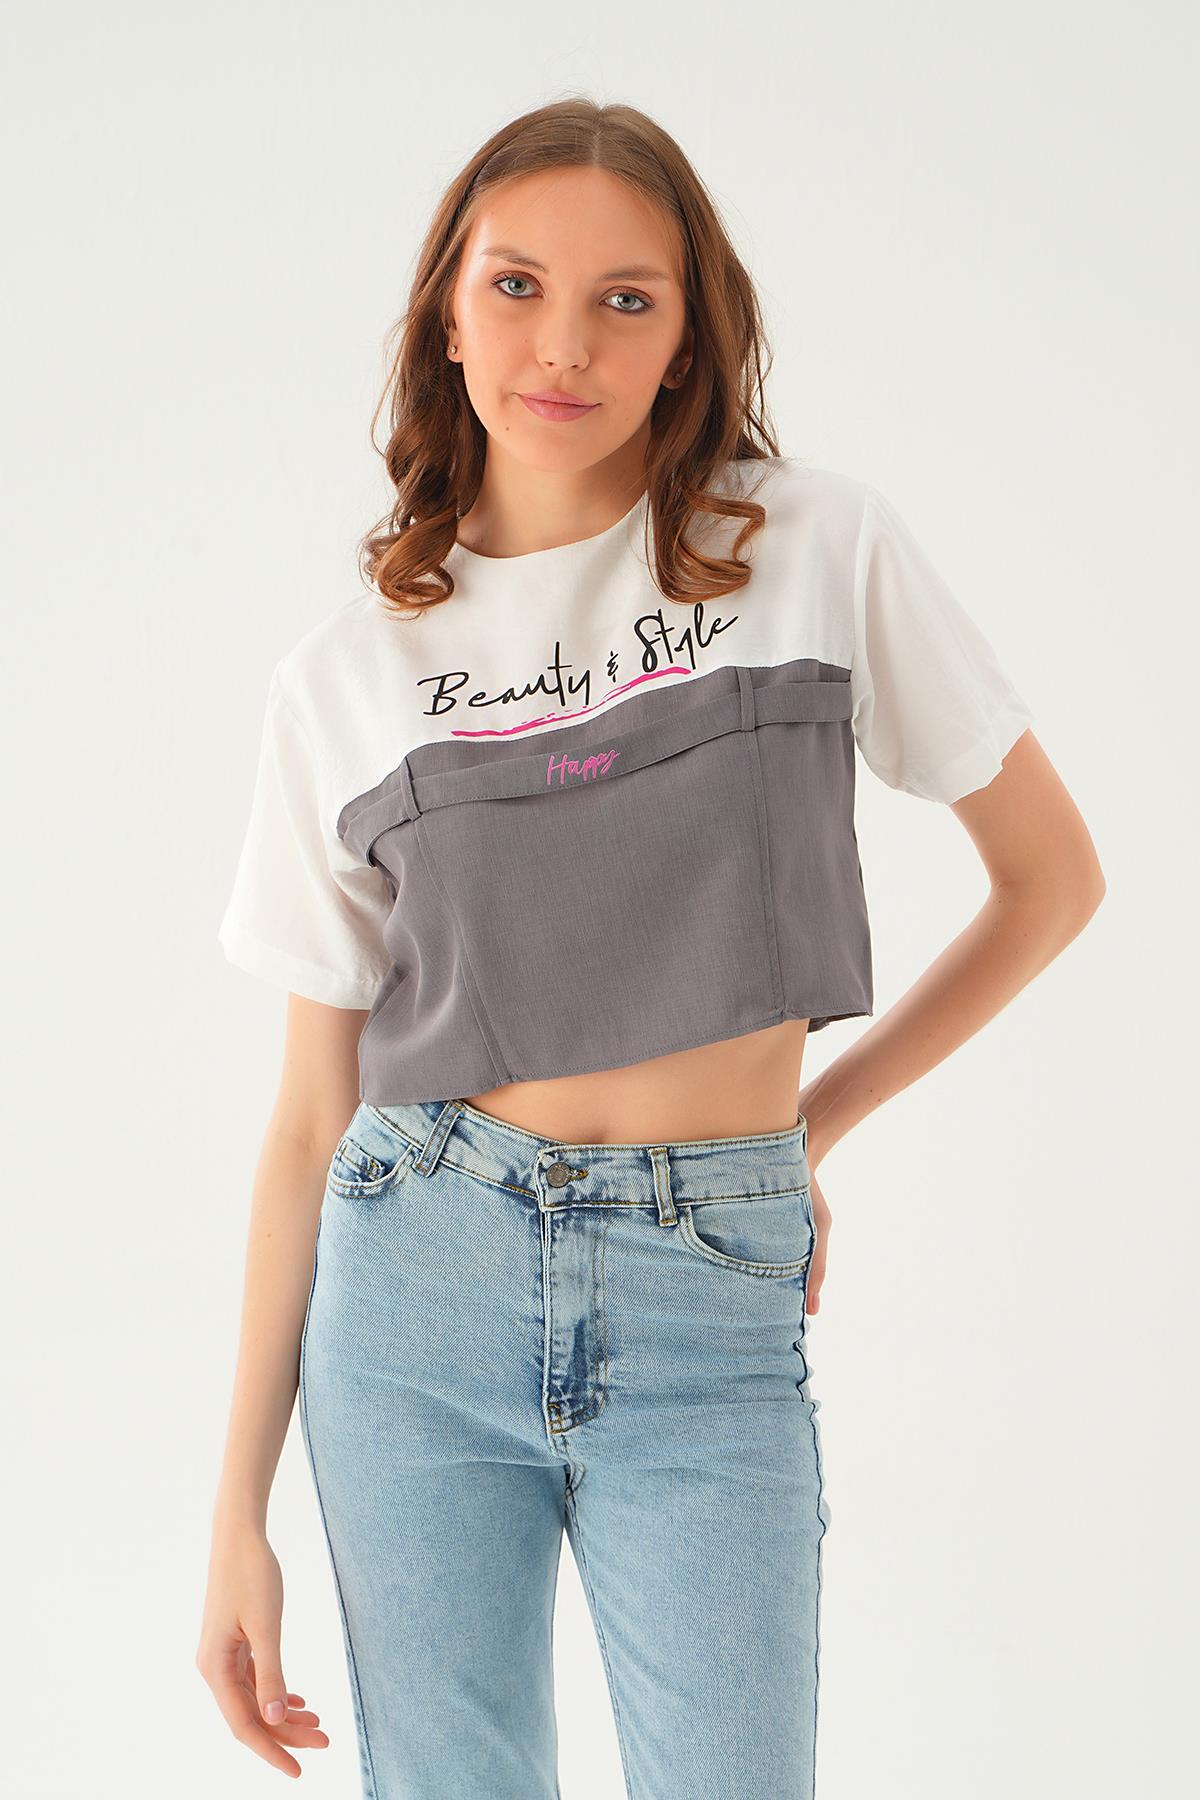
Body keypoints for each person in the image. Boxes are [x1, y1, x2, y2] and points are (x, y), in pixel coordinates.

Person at [195, 98, 1105, 1798]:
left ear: (689, 337)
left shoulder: (807, 546)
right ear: (445, 312)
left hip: (712, 1284)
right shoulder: (346, 673)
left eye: (627, 299)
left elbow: (1050, 881)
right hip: (419, 1277)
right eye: (517, 285)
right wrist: (235, 1516)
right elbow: (310, 1119)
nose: (565, 344)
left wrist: (810, 1130)